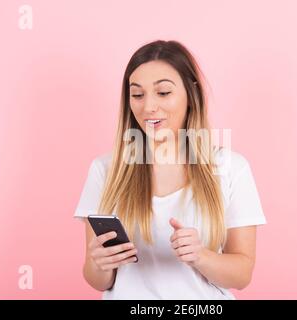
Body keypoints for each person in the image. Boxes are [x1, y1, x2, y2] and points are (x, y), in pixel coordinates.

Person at [74, 40, 266, 299]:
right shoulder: (106, 170)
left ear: (191, 95)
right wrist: (99, 263)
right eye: (138, 94)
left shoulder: (231, 168)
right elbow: (98, 281)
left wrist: (201, 256)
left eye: (163, 92)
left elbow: (242, 274)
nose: (149, 107)